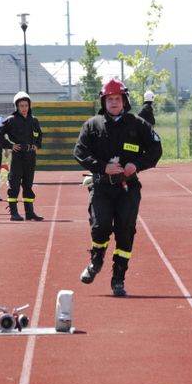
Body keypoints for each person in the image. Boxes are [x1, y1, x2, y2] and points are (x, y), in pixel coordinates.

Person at [73, 78, 162, 296]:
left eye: (117, 99)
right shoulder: (92, 125)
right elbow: (80, 152)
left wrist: (137, 165)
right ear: (103, 101)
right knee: (100, 225)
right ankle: (96, 260)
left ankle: (118, 278)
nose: (114, 103)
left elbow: (156, 148)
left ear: (124, 101)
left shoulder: (137, 124)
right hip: (101, 187)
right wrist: (103, 167)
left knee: (125, 231)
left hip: (128, 189)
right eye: (110, 99)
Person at [0, 91, 44, 221]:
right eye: (21, 106)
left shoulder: (34, 121)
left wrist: (37, 145)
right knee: (15, 184)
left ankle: (30, 212)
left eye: (26, 105)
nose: (24, 108)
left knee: (28, 184)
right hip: (17, 156)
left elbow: (39, 135)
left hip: (30, 156)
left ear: (29, 106)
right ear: (16, 106)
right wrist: (10, 146)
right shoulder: (10, 120)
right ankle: (14, 212)